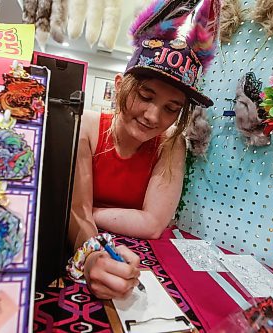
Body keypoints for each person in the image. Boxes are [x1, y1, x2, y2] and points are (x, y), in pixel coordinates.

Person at [67, 0, 220, 300]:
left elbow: (151, 224)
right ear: (120, 85)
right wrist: (92, 253)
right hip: (87, 248)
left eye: (171, 108)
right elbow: (77, 216)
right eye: (146, 96)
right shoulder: (85, 127)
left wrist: (86, 211)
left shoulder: (171, 143)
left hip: (143, 266)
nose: (153, 116)